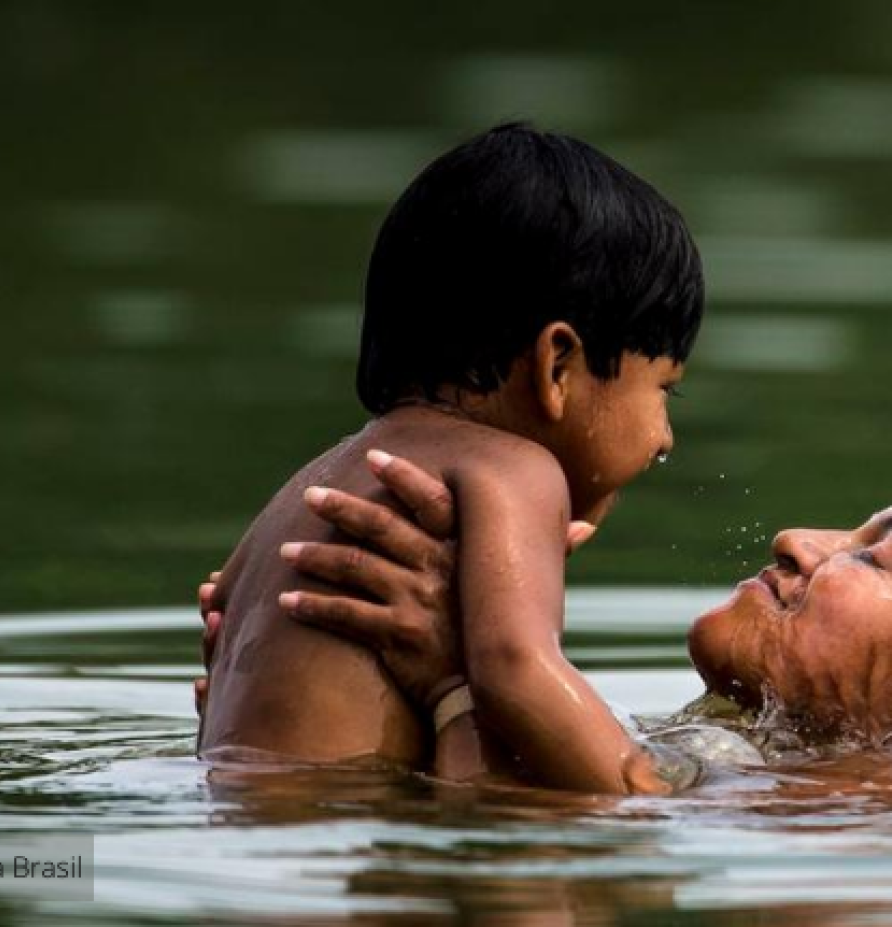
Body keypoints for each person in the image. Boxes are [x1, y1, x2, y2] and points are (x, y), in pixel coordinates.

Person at [201, 455, 892, 792]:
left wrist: (457, 679)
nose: (796, 539)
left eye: (876, 554)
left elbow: (522, 861)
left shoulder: (880, 827)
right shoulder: (776, 774)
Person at [197, 123, 706, 794]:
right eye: (663, 389)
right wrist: (641, 787)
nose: (665, 436)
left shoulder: (306, 487)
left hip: (237, 836)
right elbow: (514, 668)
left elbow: (223, 651)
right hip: (352, 845)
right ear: (558, 365)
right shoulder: (516, 470)